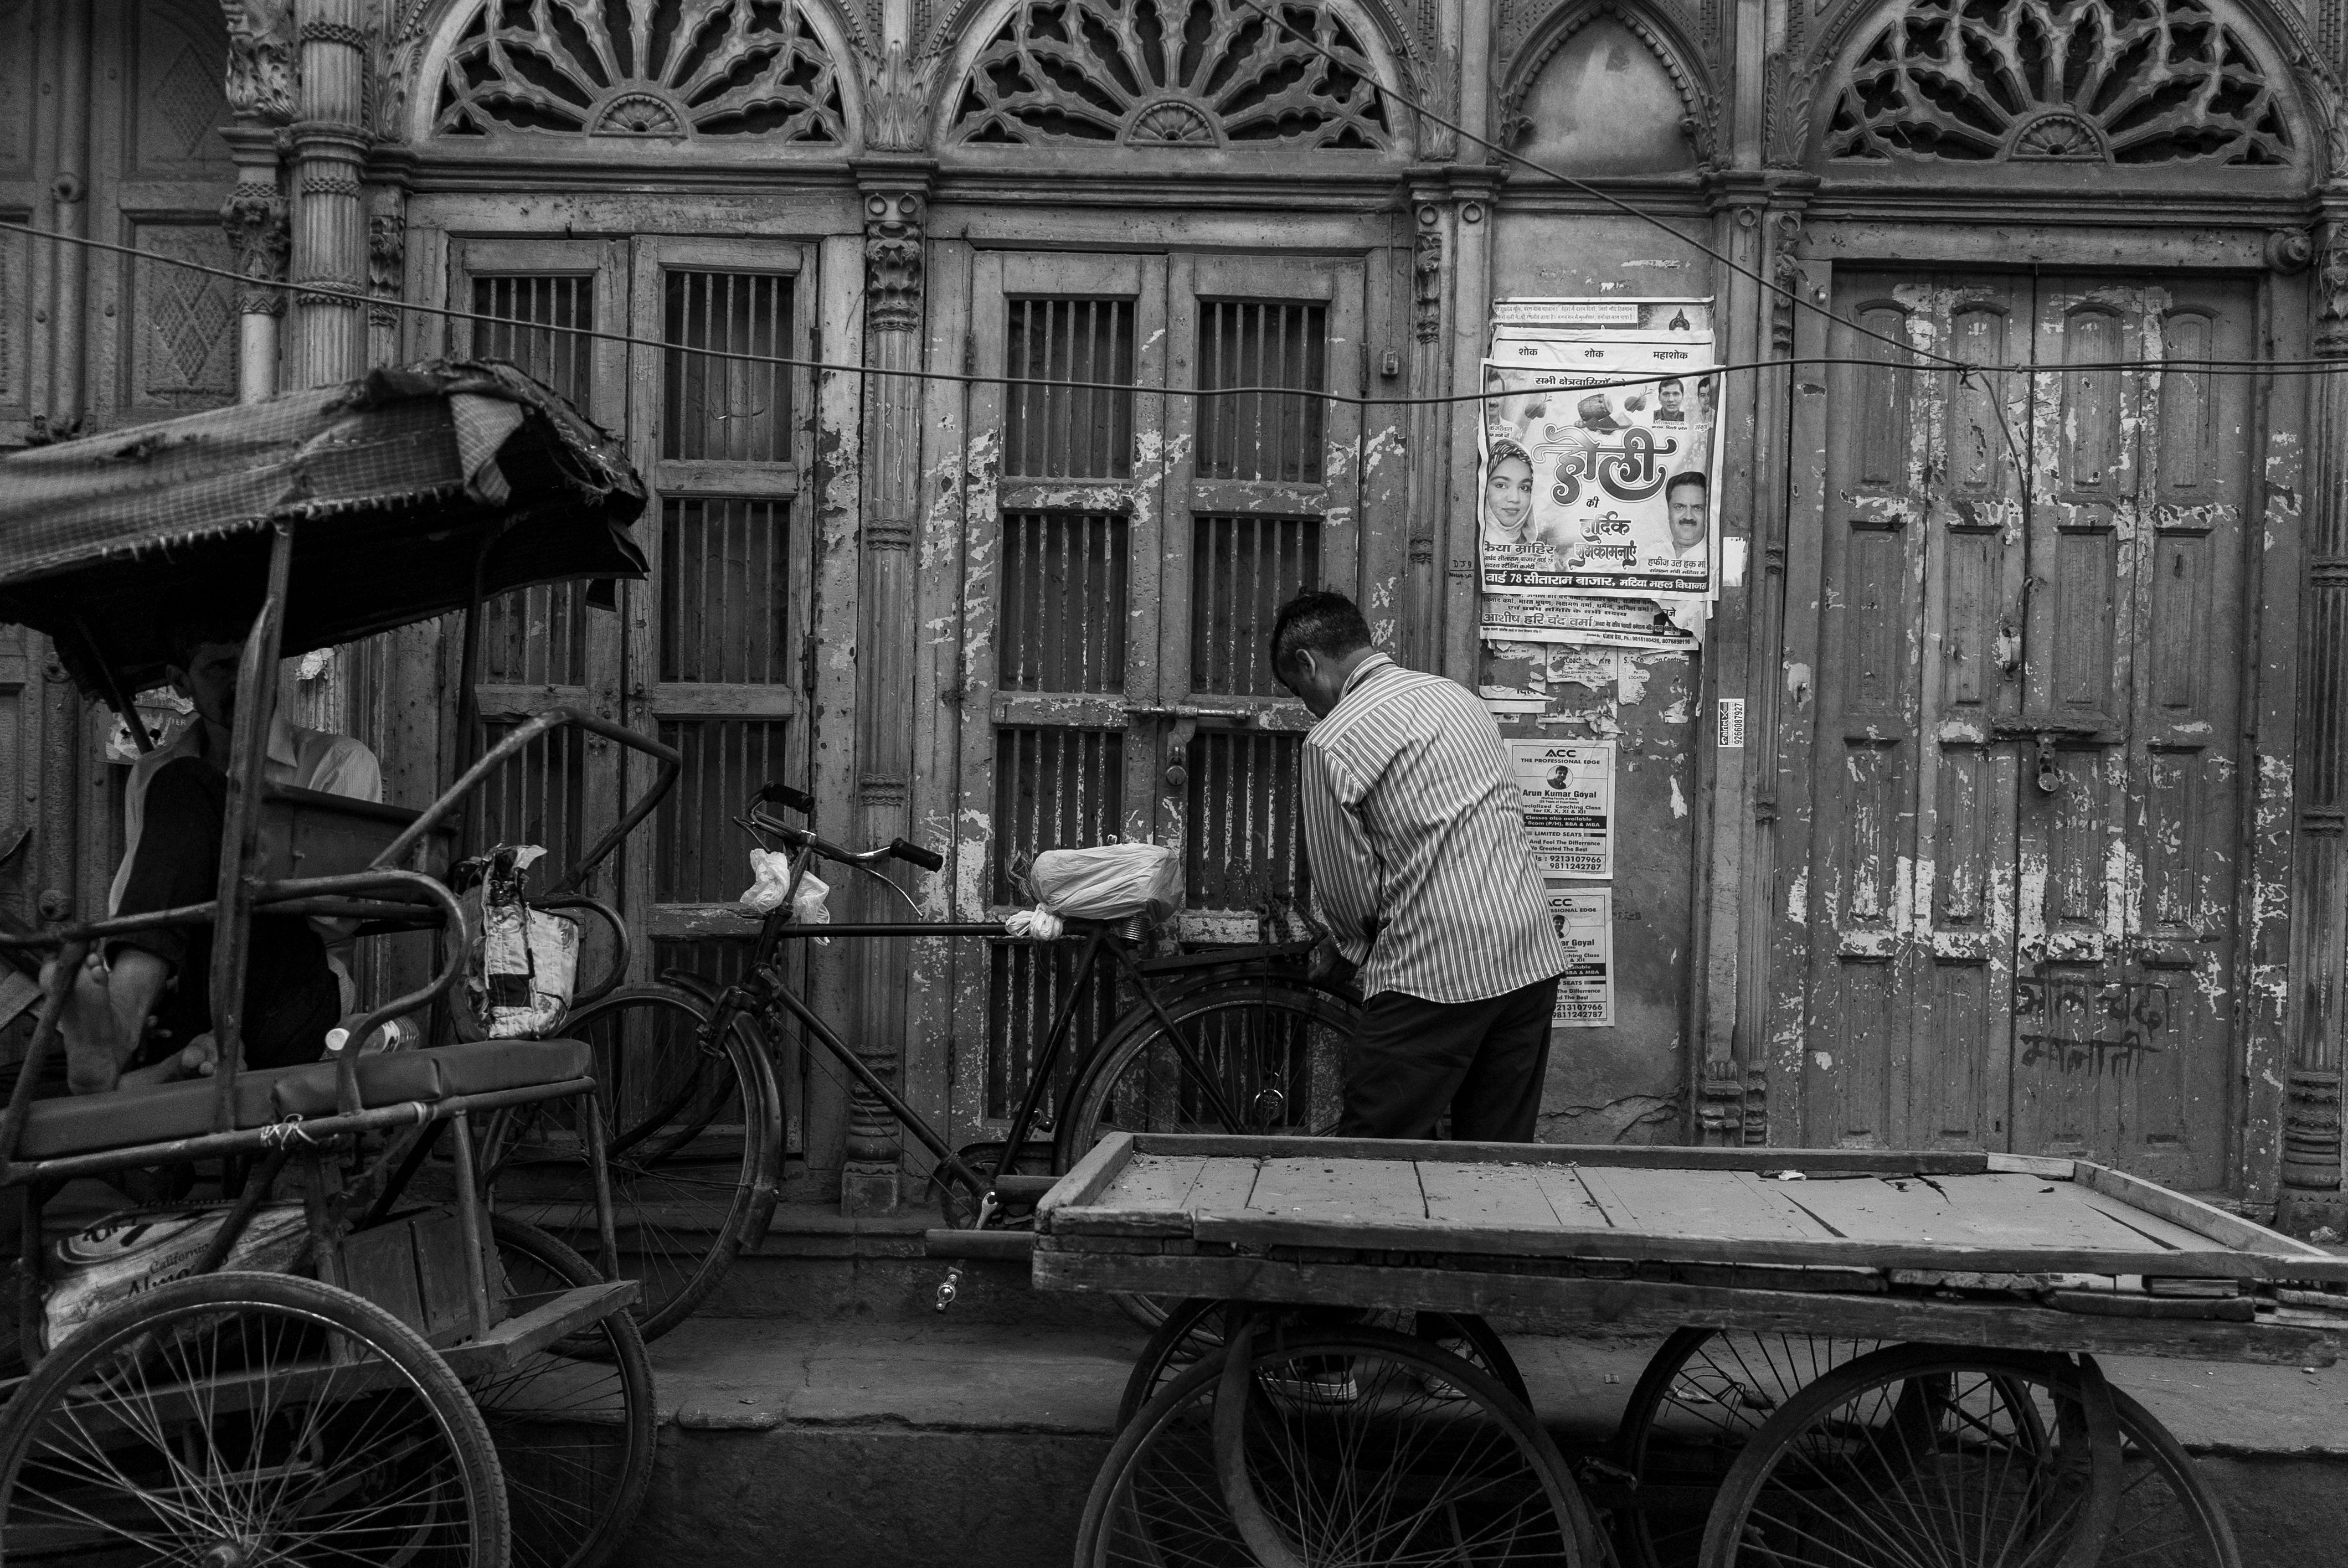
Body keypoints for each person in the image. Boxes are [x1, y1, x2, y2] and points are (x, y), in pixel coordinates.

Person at [1273, 591, 1565, 1142]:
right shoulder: (1458, 698)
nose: (1307, 707)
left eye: (1297, 692)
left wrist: (1346, 951)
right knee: (1495, 1158)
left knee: (1372, 1154)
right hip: (1529, 953)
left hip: (1435, 970)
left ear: (1309, 664)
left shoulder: (1331, 740)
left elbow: (1346, 891)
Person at [53, 611, 380, 1095]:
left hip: (290, 984)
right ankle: (159, 1055)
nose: (245, 680)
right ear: (180, 683)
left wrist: (232, 852)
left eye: (257, 662)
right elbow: (136, 904)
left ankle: (119, 1029)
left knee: (193, 792)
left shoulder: (338, 761)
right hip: (187, 978)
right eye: (222, 667)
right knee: (183, 787)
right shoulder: (153, 774)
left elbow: (338, 919)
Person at [1482, 440, 1537, 546]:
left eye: (1524, 488)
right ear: (1483, 487)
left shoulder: (1542, 556)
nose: (1515, 499)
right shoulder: (1465, 542)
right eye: (1501, 485)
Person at [1661, 470, 1709, 566]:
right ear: (1669, 512)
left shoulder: (1717, 560)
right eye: (1679, 507)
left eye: (1698, 508)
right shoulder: (1650, 555)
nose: (1688, 516)